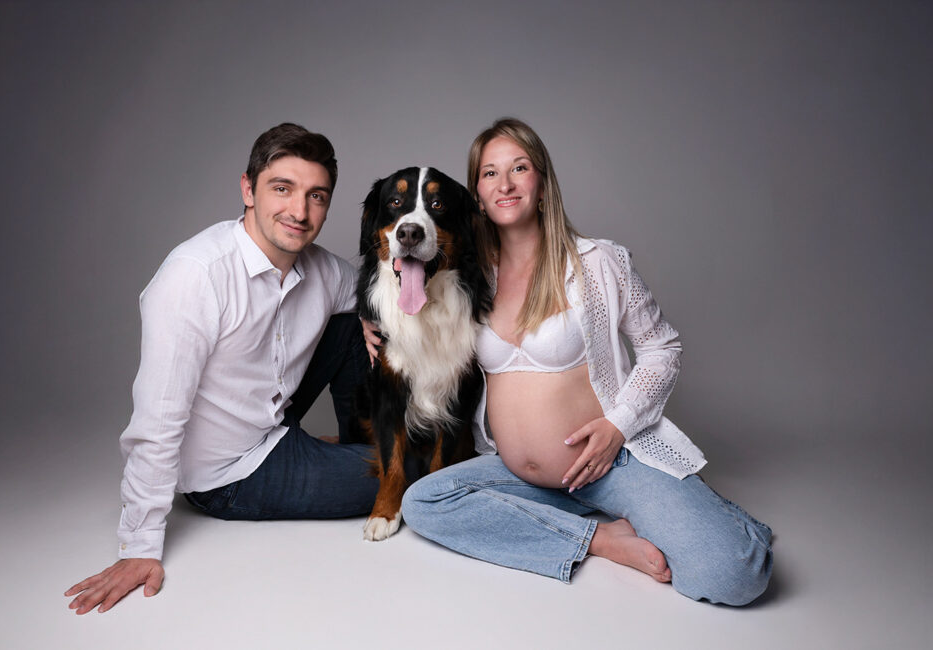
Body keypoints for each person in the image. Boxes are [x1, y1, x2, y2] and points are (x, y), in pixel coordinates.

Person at [396, 118, 773, 605]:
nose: (505, 184)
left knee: (734, 577)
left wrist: (618, 425)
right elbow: (403, 312)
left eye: (519, 168)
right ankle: (597, 540)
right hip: (517, 472)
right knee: (424, 503)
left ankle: (713, 515)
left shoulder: (598, 262)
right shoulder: (465, 278)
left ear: (543, 183)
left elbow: (663, 347)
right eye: (489, 174)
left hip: (612, 465)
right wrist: (366, 324)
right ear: (477, 194)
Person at [65, 123, 378, 615]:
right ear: (247, 189)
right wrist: (139, 547)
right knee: (404, 477)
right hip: (231, 472)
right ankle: (369, 459)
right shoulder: (196, 276)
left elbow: (372, 287)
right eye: (282, 189)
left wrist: (372, 313)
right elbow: (157, 420)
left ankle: (363, 441)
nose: (299, 211)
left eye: (316, 196)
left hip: (274, 420)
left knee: (358, 318)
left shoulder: (319, 269)